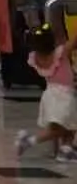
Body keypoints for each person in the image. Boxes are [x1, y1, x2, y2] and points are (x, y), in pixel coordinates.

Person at [16, 24, 77, 161]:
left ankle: (65, 150)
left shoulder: (35, 58)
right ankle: (30, 140)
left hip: (49, 95)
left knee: (68, 125)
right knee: (59, 128)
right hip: (64, 97)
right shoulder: (60, 53)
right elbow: (74, 41)